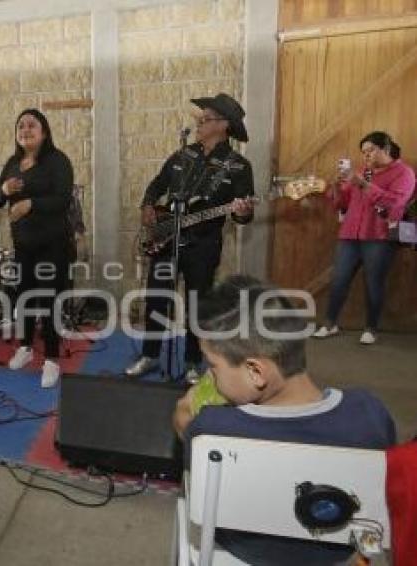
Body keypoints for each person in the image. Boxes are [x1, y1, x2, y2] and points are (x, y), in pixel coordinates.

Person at [173, 275, 396, 565]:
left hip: (246, 552)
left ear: (256, 372)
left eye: (213, 367)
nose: (211, 377)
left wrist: (184, 409)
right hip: (339, 554)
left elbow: (184, 426)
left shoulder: (213, 429)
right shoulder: (370, 413)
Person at [126, 93, 255, 382]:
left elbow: (242, 216)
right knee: (157, 298)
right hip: (166, 239)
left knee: (197, 305)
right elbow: (158, 184)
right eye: (199, 118)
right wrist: (148, 205)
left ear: (223, 126)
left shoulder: (238, 167)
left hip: (203, 245)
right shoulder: (184, 153)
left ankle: (193, 361)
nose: (198, 122)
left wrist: (243, 212)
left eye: (205, 118)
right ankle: (149, 355)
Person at [0, 108, 74, 388]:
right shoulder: (13, 162)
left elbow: (63, 200)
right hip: (23, 244)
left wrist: (30, 204)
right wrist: (4, 190)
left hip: (53, 244)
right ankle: (25, 348)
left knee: (49, 300)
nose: (25, 129)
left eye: (31, 125)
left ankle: (51, 358)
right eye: (21, 126)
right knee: (24, 296)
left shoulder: (57, 160)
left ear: (44, 132)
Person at [313, 131, 415, 345]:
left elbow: (394, 202)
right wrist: (335, 187)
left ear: (385, 148)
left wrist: (361, 183)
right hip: (349, 235)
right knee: (339, 279)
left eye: (370, 150)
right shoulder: (362, 172)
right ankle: (330, 323)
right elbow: (341, 205)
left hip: (380, 236)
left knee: (373, 283)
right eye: (363, 152)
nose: (366, 155)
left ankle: (371, 328)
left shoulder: (404, 173)